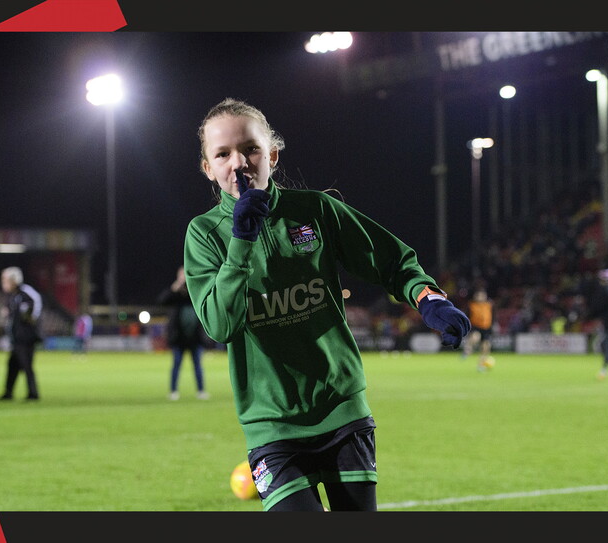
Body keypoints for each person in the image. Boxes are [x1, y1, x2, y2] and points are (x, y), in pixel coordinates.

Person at [182, 98, 470, 512]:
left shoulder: (315, 210)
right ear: (209, 168)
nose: (238, 163)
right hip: (272, 426)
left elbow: (392, 261)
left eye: (251, 149)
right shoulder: (204, 234)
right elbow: (220, 325)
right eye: (223, 154)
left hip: (342, 412)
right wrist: (241, 242)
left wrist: (428, 299)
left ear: (273, 155)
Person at [156, 266, 210, 400]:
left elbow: (206, 298)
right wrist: (176, 285)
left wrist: (192, 284)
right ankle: (173, 391)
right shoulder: (176, 295)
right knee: (176, 365)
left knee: (198, 366)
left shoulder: (195, 292)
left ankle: (201, 390)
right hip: (178, 338)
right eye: (182, 275)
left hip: (195, 338)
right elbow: (162, 301)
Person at [0, 266, 43, 401]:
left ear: (13, 280)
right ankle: (8, 393)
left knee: (26, 365)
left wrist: (29, 321)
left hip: (26, 338)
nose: (3, 283)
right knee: (13, 365)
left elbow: (35, 308)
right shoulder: (13, 296)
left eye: (5, 279)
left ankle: (33, 394)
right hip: (17, 338)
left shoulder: (26, 292)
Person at [462, 288, 495, 371]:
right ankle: (467, 350)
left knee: (485, 347)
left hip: (486, 328)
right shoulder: (471, 305)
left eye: (482, 296)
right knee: (475, 337)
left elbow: (493, 316)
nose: (480, 297)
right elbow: (466, 316)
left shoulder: (489, 305)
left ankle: (481, 365)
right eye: (478, 295)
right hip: (476, 327)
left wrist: (493, 325)